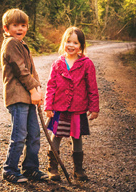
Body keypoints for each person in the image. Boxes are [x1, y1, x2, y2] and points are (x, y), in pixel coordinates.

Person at [43, 26, 99, 181]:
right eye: (68, 41)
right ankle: (53, 168)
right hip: (59, 108)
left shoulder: (87, 64)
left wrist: (94, 108)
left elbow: (92, 87)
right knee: (56, 136)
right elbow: (51, 86)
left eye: (75, 42)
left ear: (81, 45)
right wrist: (48, 106)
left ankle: (78, 169)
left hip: (78, 109)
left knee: (77, 137)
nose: (71, 45)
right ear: (63, 42)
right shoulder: (57, 64)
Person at [0, 8, 49, 183]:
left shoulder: (22, 45)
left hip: (28, 96)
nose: (20, 28)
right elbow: (21, 70)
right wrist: (32, 90)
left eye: (23, 25)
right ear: (6, 28)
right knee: (19, 135)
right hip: (17, 97)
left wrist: (37, 90)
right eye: (15, 25)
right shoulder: (11, 44)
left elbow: (31, 71)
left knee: (34, 134)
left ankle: (30, 168)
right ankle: (10, 169)